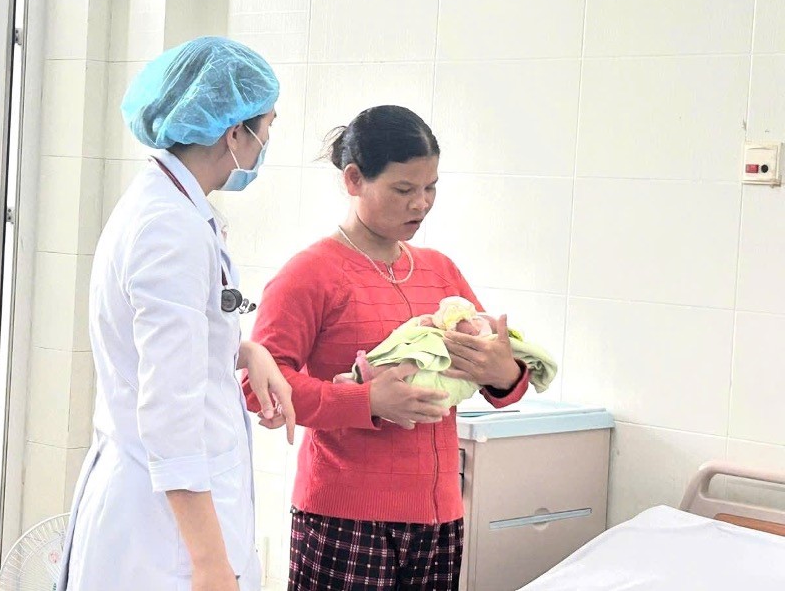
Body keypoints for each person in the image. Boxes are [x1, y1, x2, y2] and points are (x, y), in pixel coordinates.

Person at [246, 105, 529, 590]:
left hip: (439, 518)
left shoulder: (441, 271)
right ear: (354, 179)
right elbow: (260, 387)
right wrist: (367, 401)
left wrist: (506, 373)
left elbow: (496, 377)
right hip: (345, 518)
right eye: (403, 190)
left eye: (431, 187)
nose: (421, 204)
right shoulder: (310, 274)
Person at [58, 36, 295, 591]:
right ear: (234, 133)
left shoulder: (170, 208)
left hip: (166, 518)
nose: (265, 142)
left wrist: (244, 350)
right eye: (266, 127)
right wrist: (210, 563)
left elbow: (165, 342)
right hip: (165, 541)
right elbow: (169, 411)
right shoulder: (170, 230)